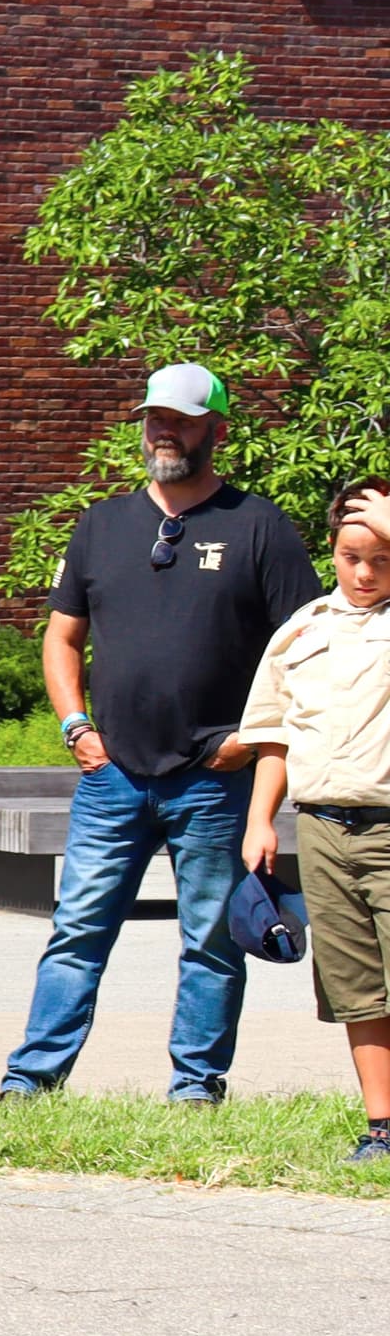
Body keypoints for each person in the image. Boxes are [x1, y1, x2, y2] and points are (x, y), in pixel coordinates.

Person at [3, 363, 322, 1104]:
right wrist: (74, 723)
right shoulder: (103, 523)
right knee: (76, 935)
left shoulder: (259, 526)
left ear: (218, 430)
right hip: (111, 777)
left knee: (210, 944)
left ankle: (195, 1088)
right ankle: (29, 1082)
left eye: (179, 420)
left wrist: (251, 739)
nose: (163, 432)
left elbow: (304, 649)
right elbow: (60, 639)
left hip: (213, 781)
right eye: (154, 418)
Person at [238, 479, 390, 1161]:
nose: (363, 573)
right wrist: (260, 818)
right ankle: (381, 1128)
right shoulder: (302, 630)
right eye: (351, 555)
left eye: (382, 557)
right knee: (355, 987)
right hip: (325, 830)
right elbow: (275, 733)